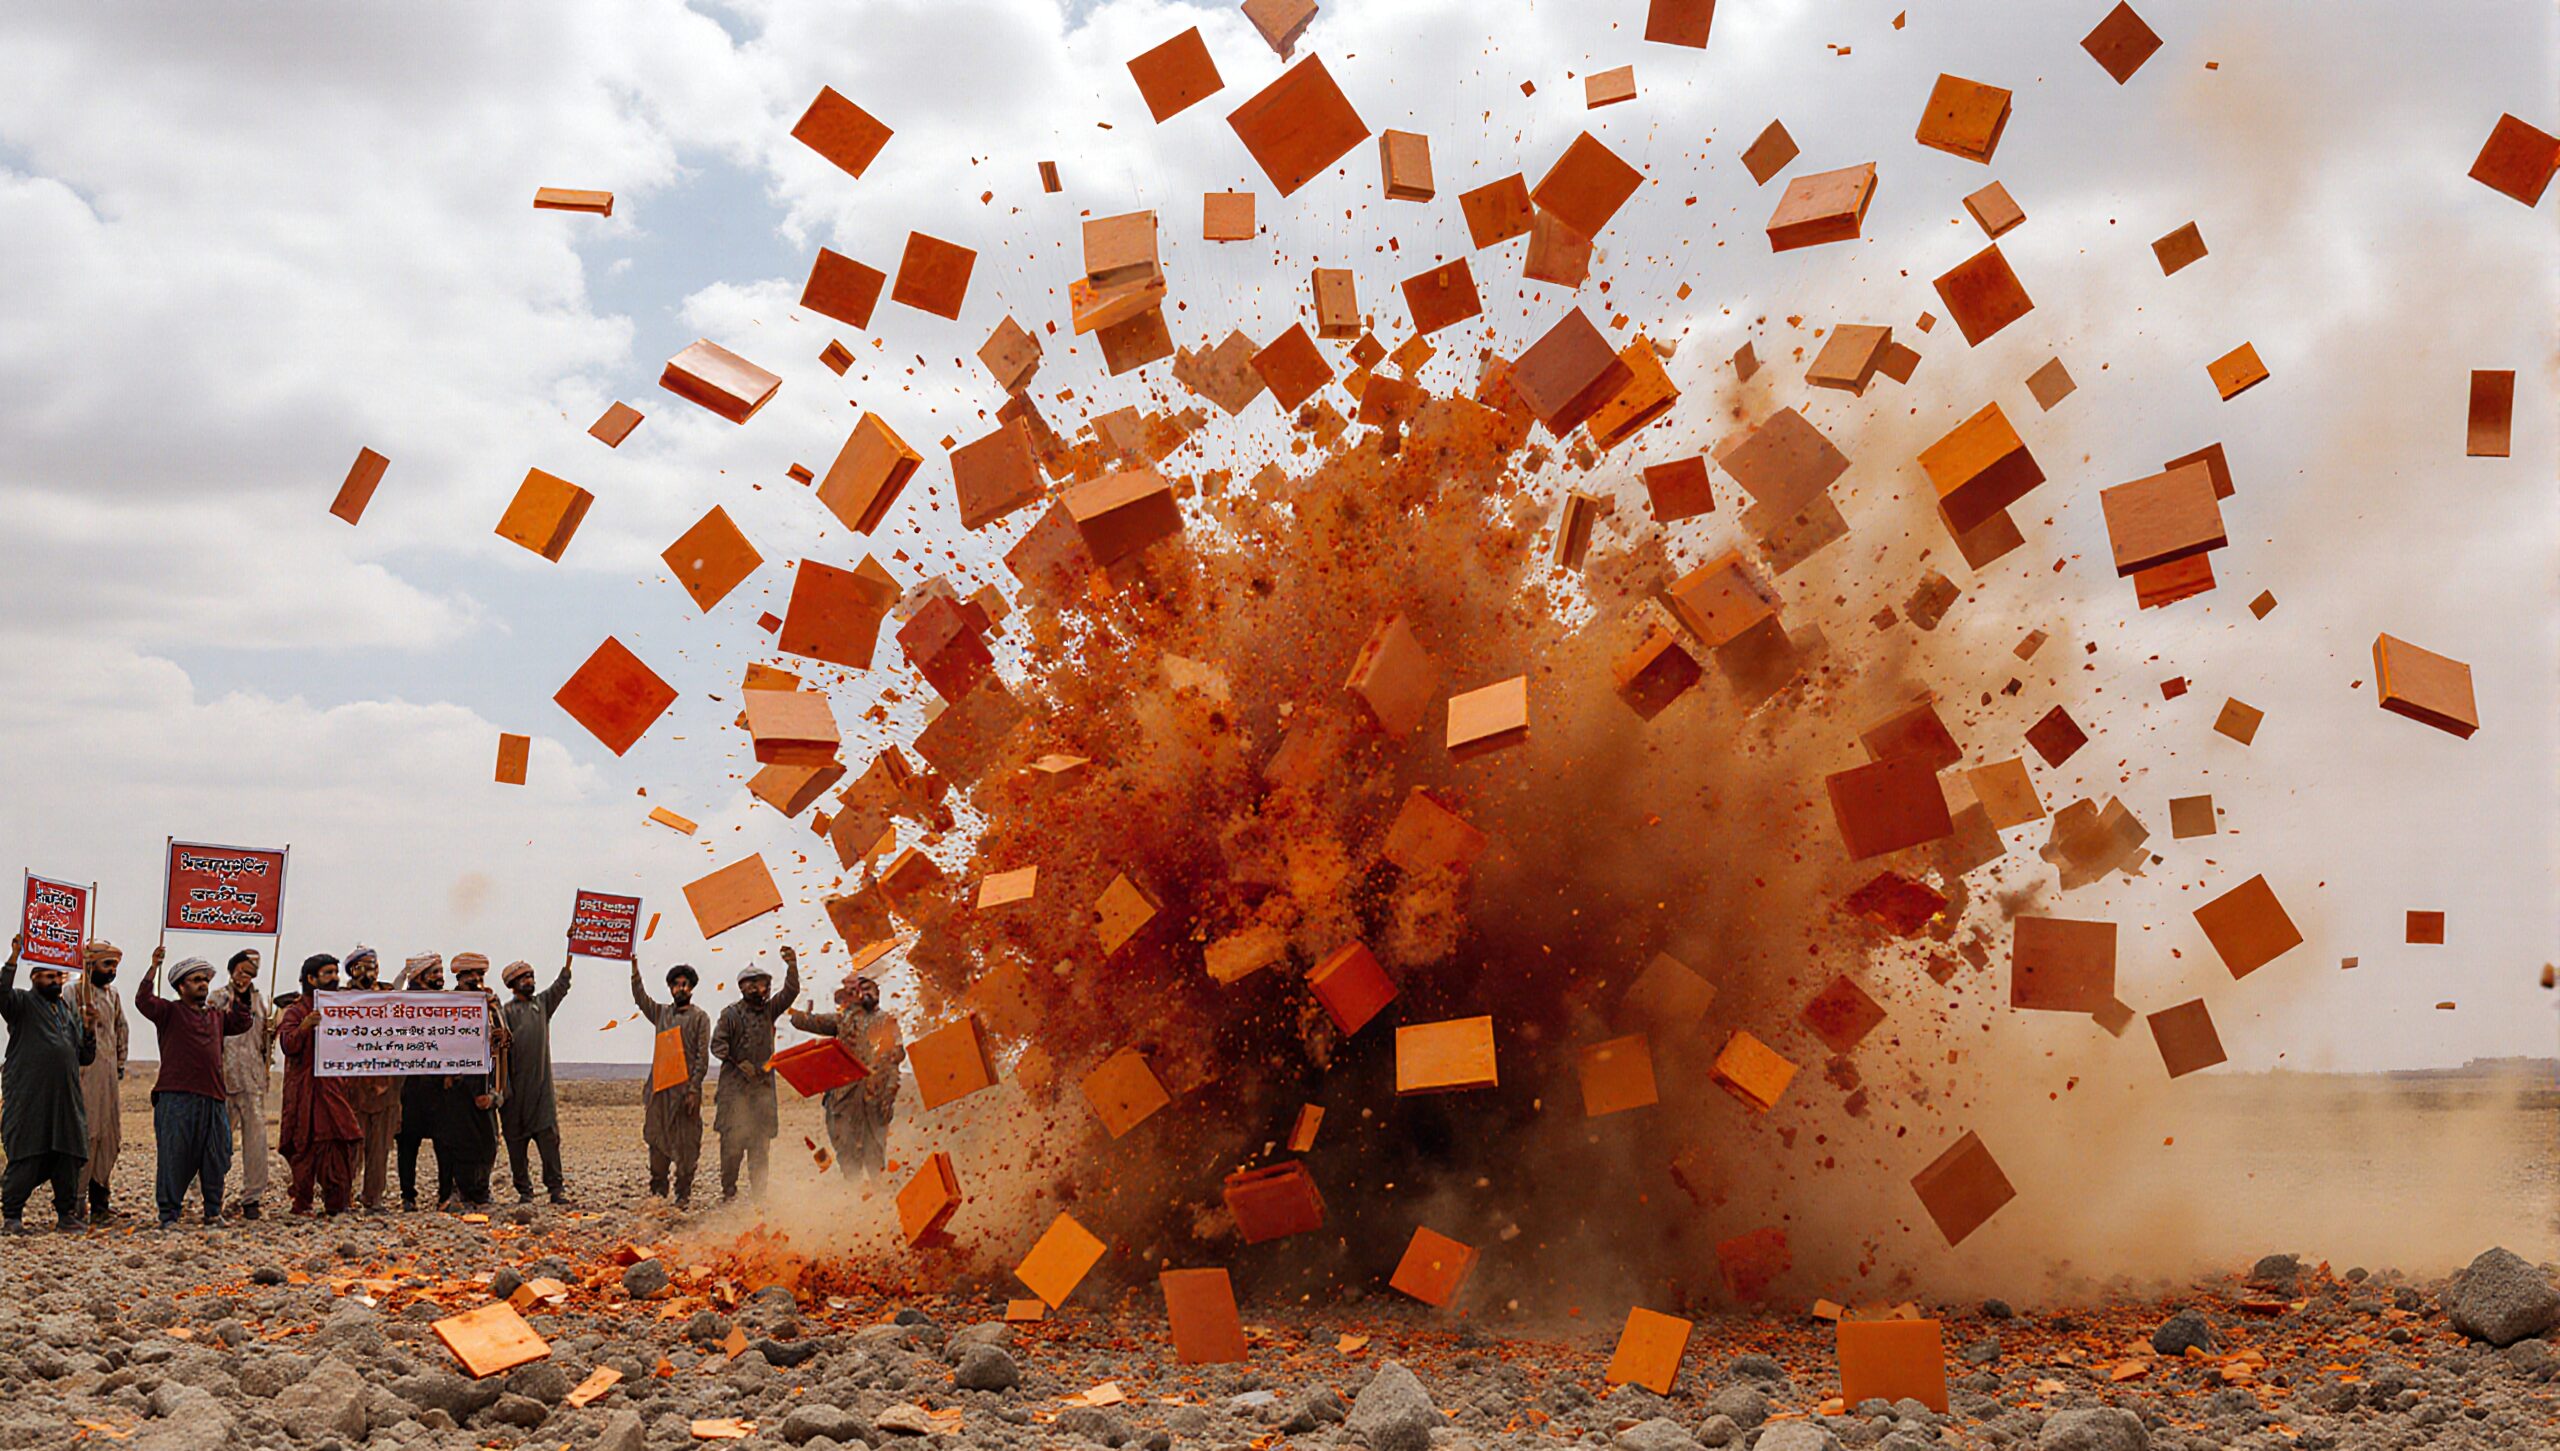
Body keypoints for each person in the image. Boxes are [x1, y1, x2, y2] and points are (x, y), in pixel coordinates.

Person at [133, 950, 256, 1228]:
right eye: (196, 980)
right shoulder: (169, 1012)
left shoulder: (216, 1016)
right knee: (174, 1156)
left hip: (212, 1096)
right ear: (181, 986)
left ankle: (213, 1212)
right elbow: (143, 1001)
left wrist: (243, 993)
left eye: (205, 980)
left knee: (217, 1156)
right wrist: (153, 966)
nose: (203, 984)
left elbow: (243, 1021)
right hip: (176, 1096)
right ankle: (169, 1215)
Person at [0, 935, 98, 1232]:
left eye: (58, 975)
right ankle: (12, 1216)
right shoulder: (22, 1003)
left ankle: (66, 1215)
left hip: (66, 1098)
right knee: (28, 1151)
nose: (55, 980)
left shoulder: (66, 1012)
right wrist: (13, 957)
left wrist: (89, 1028)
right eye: (48, 975)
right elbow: (1, 994)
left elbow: (84, 1057)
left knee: (68, 1152)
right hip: (30, 1095)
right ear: (34, 978)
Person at [788, 971, 905, 1183]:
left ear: (878, 993)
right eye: (861, 990)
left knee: (874, 1148)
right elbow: (810, 1022)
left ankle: (877, 1196)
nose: (866, 993)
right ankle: (853, 1195)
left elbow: (898, 1052)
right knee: (846, 1147)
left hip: (874, 1096)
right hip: (844, 1097)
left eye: (870, 988)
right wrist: (798, 1015)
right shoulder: (844, 1019)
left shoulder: (886, 1020)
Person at [710, 946, 800, 1201]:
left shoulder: (770, 1011)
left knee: (760, 1146)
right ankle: (729, 1193)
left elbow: (791, 992)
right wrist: (739, 1062)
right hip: (734, 1094)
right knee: (732, 1146)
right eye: (755, 984)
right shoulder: (730, 1015)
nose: (761, 989)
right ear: (743, 987)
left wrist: (792, 966)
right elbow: (717, 1045)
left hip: (761, 1093)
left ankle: (759, 1195)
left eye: (764, 984)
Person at [275, 954, 361, 1214]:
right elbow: (288, 1044)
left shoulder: (342, 1007)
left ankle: (338, 1203)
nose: (335, 978)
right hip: (305, 1092)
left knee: (340, 1139)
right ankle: (302, 1203)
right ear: (312, 979)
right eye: (328, 973)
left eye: (336, 973)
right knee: (304, 1145)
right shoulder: (296, 1010)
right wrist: (305, 1026)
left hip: (333, 1089)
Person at [631, 961, 709, 1207]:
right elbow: (641, 998)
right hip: (660, 1093)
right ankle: (658, 1197)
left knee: (687, 1146)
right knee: (656, 1142)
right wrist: (635, 971)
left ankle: (682, 1197)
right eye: (676, 984)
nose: (680, 988)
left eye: (685, 984)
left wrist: (694, 1088)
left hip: (686, 1093)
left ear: (692, 988)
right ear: (670, 988)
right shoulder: (661, 1014)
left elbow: (701, 1056)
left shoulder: (700, 1018)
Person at [498, 955, 573, 1205]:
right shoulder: (504, 1014)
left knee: (549, 1142)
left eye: (530, 976)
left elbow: (560, 987)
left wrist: (570, 954)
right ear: (513, 984)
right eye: (524, 978)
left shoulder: (541, 1006)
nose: (530, 981)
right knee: (516, 1146)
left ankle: (555, 1189)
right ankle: (524, 1192)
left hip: (541, 1093)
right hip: (514, 1094)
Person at [434, 953, 505, 1207]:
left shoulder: (491, 1004)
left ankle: (481, 1190)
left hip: (482, 1080)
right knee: (456, 1142)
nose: (475, 980)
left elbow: (503, 1040)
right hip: (454, 1084)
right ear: (459, 978)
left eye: (480, 975)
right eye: (470, 976)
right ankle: (457, 1192)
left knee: (487, 1141)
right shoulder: (447, 1004)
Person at [212, 950, 277, 1219]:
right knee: (218, 1143)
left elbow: (264, 1041)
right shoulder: (216, 998)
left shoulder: (261, 1001)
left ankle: (252, 1199)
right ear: (232, 970)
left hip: (252, 1082)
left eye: (251, 972)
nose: (246, 977)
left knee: (256, 1143)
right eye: (242, 970)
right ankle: (209, 1195)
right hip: (223, 1080)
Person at [70, 940, 128, 1223]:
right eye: (107, 964)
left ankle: (101, 1202)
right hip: (83, 1074)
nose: (112, 971)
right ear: (89, 964)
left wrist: (119, 1063)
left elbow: (121, 1028)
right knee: (87, 1135)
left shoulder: (112, 995)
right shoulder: (72, 991)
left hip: (108, 1076)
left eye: (115, 965)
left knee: (110, 1137)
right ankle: (75, 1205)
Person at [343, 947, 402, 1211]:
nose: (368, 972)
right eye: (361, 967)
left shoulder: (390, 997)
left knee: (380, 1148)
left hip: (387, 1084)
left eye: (372, 966)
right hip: (353, 1086)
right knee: (352, 1145)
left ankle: (373, 1197)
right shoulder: (339, 1001)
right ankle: (343, 1194)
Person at [395, 952, 447, 1210]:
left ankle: (446, 1196)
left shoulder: (450, 1003)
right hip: (409, 1086)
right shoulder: (403, 1003)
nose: (440, 977)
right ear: (420, 976)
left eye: (440, 972)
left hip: (440, 1086)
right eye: (434, 972)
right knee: (407, 1144)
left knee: (445, 1143)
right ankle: (408, 1197)